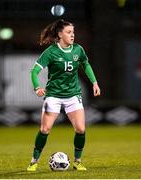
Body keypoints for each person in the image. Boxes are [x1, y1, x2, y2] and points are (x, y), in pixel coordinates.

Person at [27, 19, 100, 171]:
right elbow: (34, 71)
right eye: (68, 32)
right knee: (45, 129)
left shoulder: (78, 50)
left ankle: (77, 161)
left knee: (80, 129)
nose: (72, 35)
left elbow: (85, 64)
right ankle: (34, 161)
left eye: (73, 32)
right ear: (60, 34)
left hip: (73, 95)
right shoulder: (51, 52)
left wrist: (94, 82)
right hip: (53, 95)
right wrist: (37, 88)